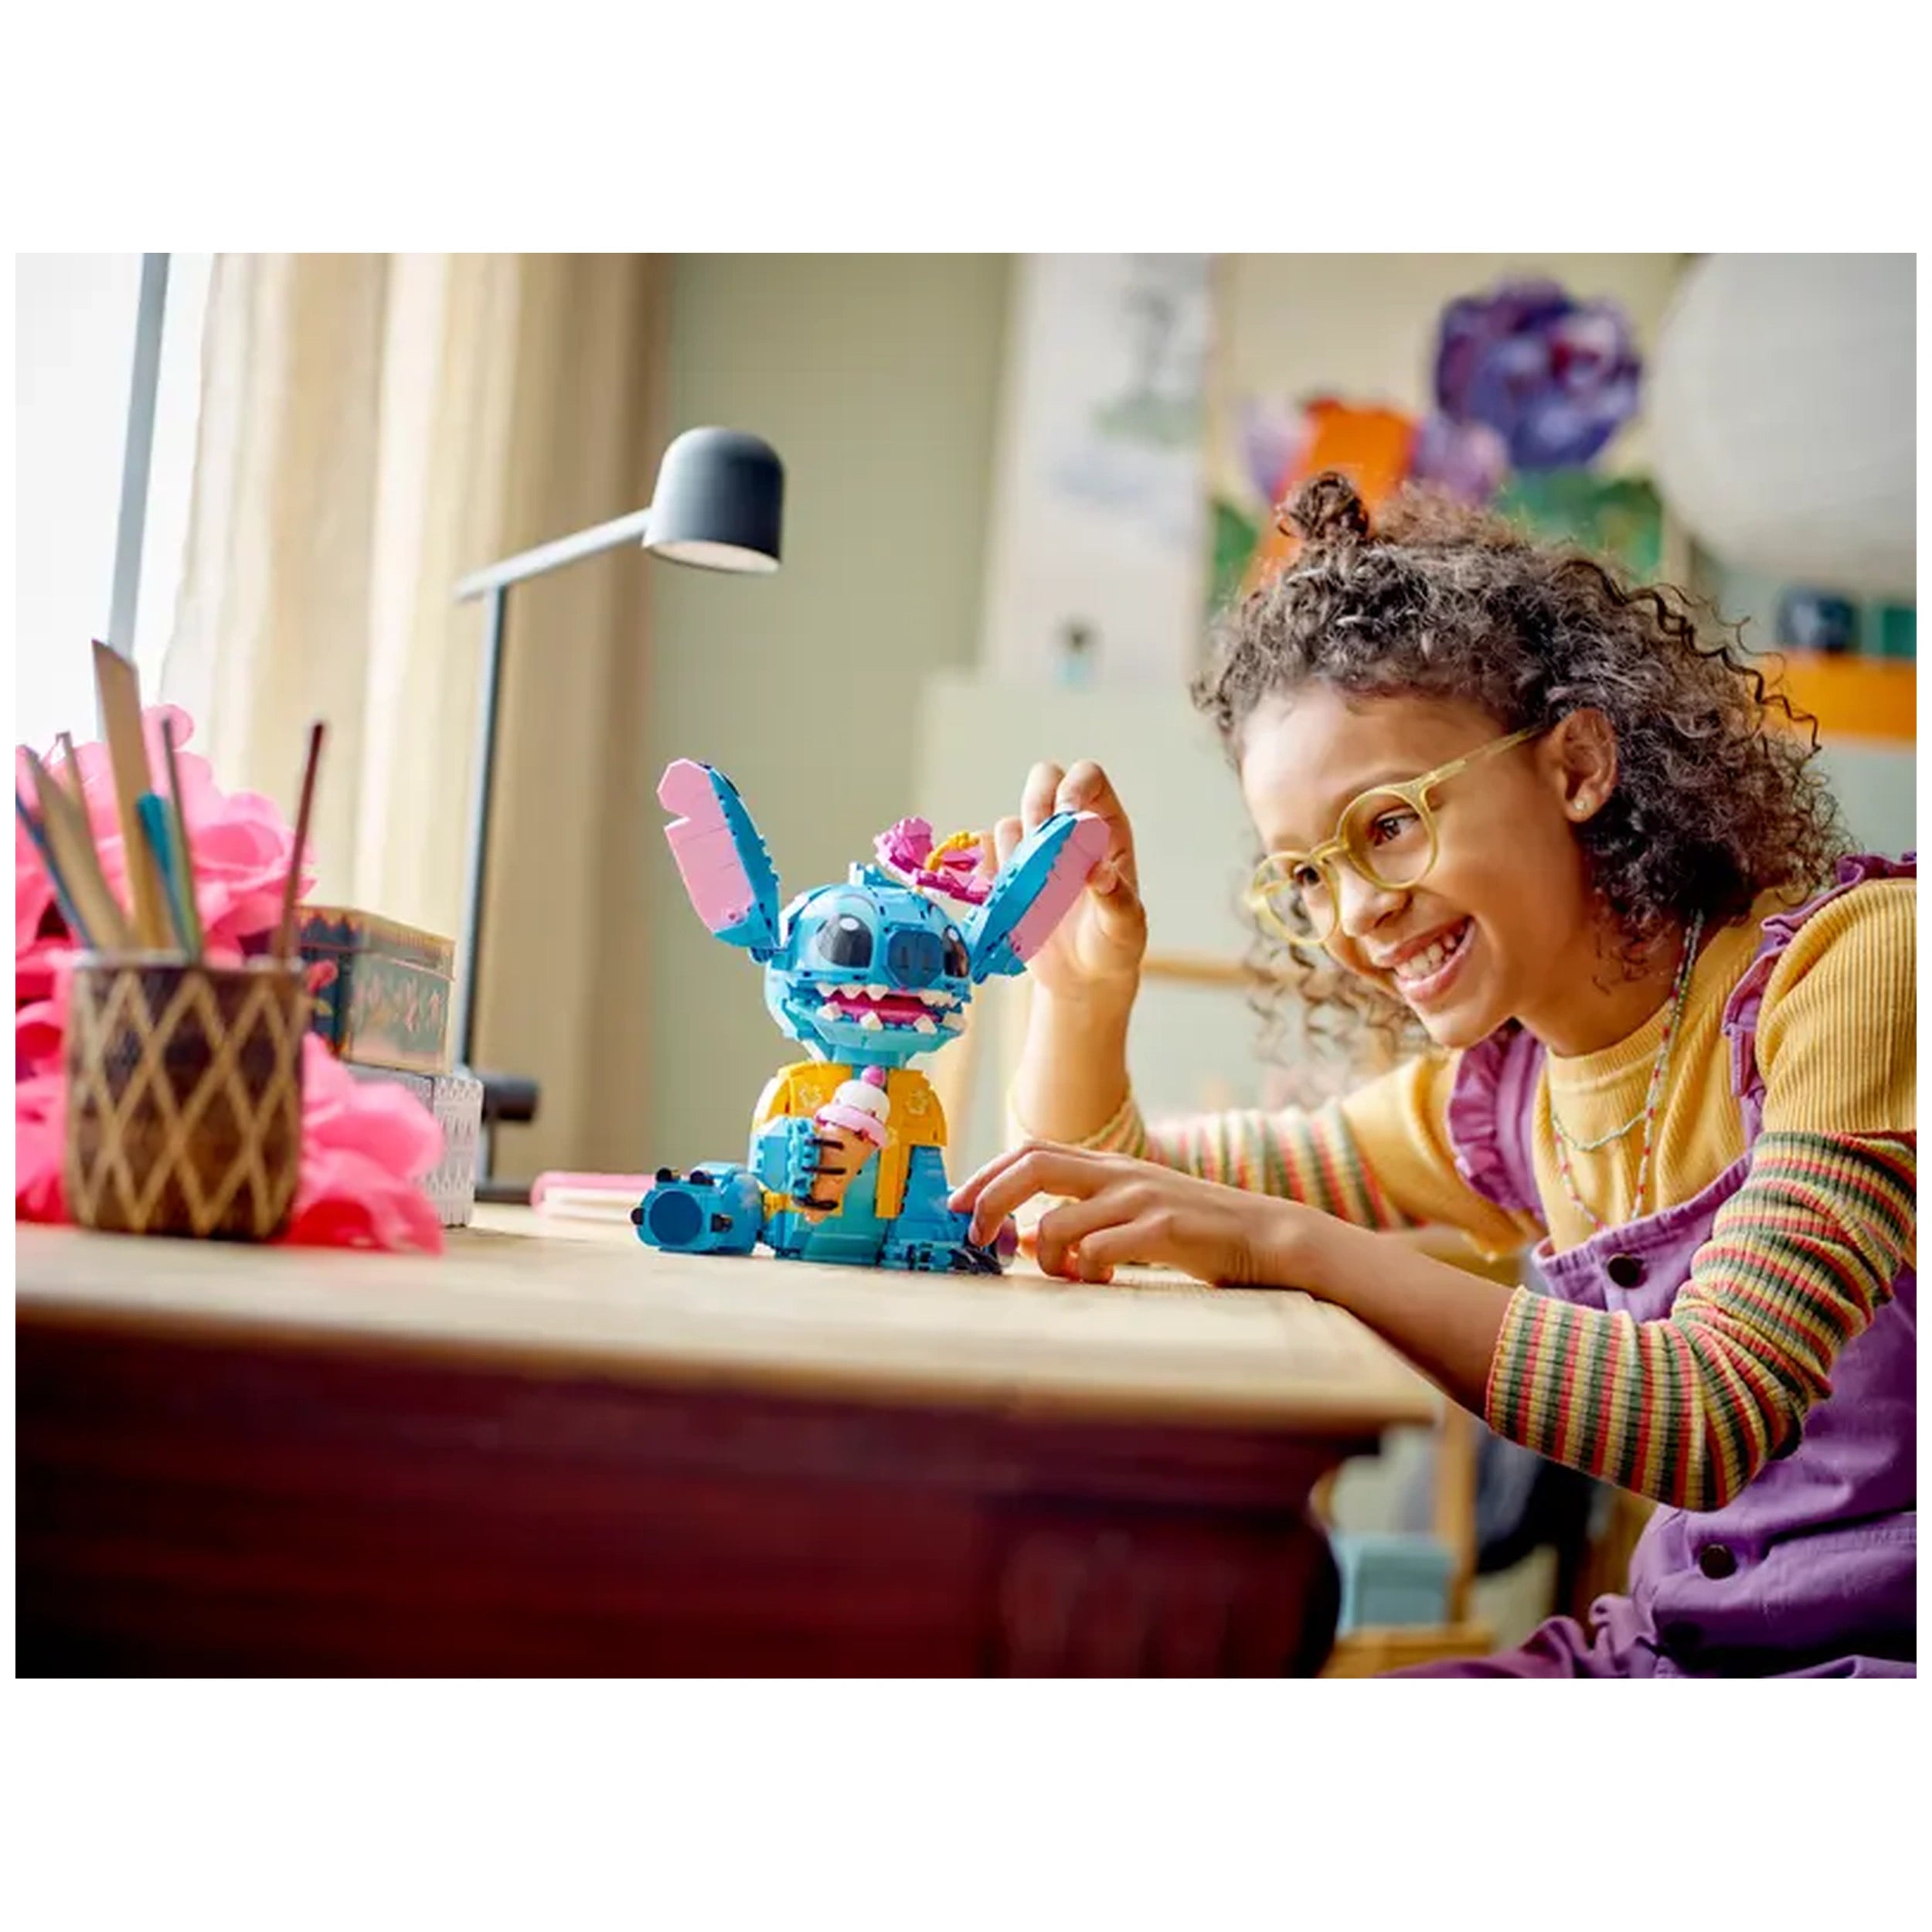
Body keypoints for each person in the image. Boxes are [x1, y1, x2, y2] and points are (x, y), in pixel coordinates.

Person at [951, 472, 1916, 1679]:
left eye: (1390, 824)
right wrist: (1083, 995)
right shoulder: (1506, 1100)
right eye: (1307, 875)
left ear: (1576, 766)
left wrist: (1291, 1245)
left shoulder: (1858, 968)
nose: (1355, 912)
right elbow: (1099, 1193)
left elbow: (1710, 1415)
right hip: (1672, 1660)